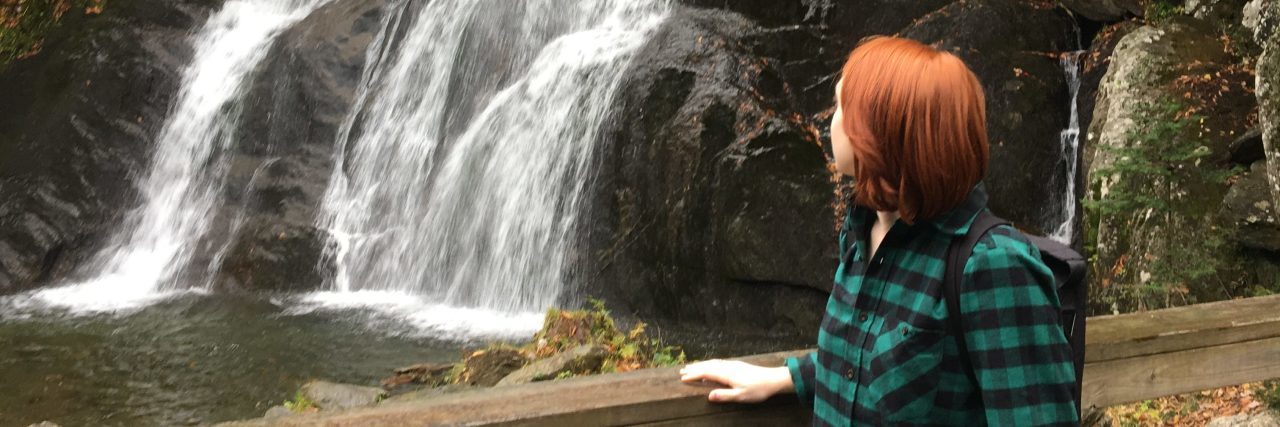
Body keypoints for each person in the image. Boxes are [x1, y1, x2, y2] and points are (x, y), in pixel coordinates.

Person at [678, 36, 1080, 426]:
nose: (831, 121)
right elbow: (876, 359)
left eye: (842, 107)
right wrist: (784, 378)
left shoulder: (992, 266)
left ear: (884, 130)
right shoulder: (864, 231)